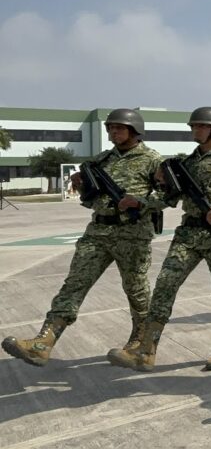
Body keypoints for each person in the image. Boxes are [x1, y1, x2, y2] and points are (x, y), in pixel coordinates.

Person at [3, 109, 163, 367]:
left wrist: (140, 201)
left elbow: (168, 196)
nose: (113, 132)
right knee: (74, 284)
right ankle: (43, 343)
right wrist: (84, 186)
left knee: (136, 290)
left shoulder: (152, 160)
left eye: (119, 128)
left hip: (132, 235)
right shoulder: (101, 160)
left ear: (134, 130)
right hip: (98, 233)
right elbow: (92, 200)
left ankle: (142, 346)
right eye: (110, 128)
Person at [107, 107, 211, 371]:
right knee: (165, 285)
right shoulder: (186, 163)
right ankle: (146, 350)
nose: (195, 131)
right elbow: (169, 199)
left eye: (200, 126)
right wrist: (146, 196)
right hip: (188, 234)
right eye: (193, 127)